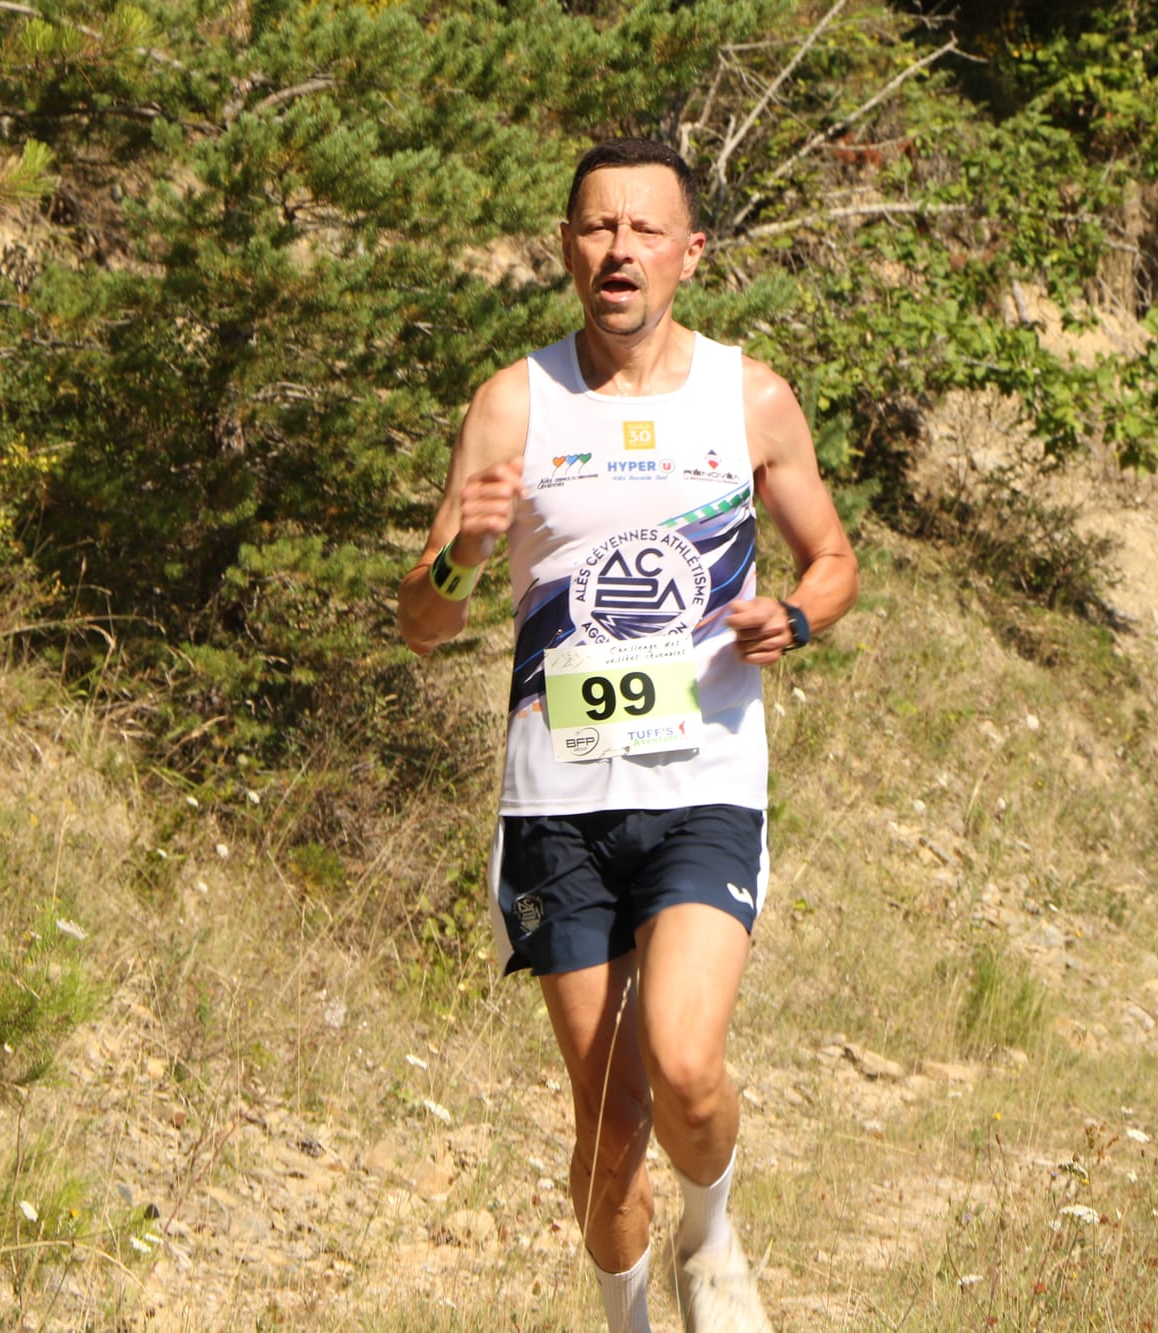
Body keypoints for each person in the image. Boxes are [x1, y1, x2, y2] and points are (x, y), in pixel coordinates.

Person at [397, 138, 859, 1333]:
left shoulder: (745, 398)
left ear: (688, 254)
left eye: (645, 230)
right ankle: (628, 1320)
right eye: (597, 228)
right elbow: (423, 623)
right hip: (557, 803)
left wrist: (794, 620)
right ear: (566, 250)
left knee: (686, 1064)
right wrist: (460, 548)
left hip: (705, 782)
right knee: (608, 1129)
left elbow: (833, 558)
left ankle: (709, 1235)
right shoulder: (514, 402)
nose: (619, 250)